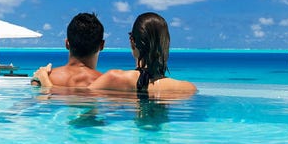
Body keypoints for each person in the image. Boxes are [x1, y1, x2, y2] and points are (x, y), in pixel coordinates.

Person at [34, 12, 196, 99]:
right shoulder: (188, 89)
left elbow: (82, 99)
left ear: (132, 41)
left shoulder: (115, 79)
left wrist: (45, 81)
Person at [31, 12, 104, 87]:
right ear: (102, 45)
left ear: (67, 43)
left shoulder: (41, 78)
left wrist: (40, 79)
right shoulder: (108, 83)